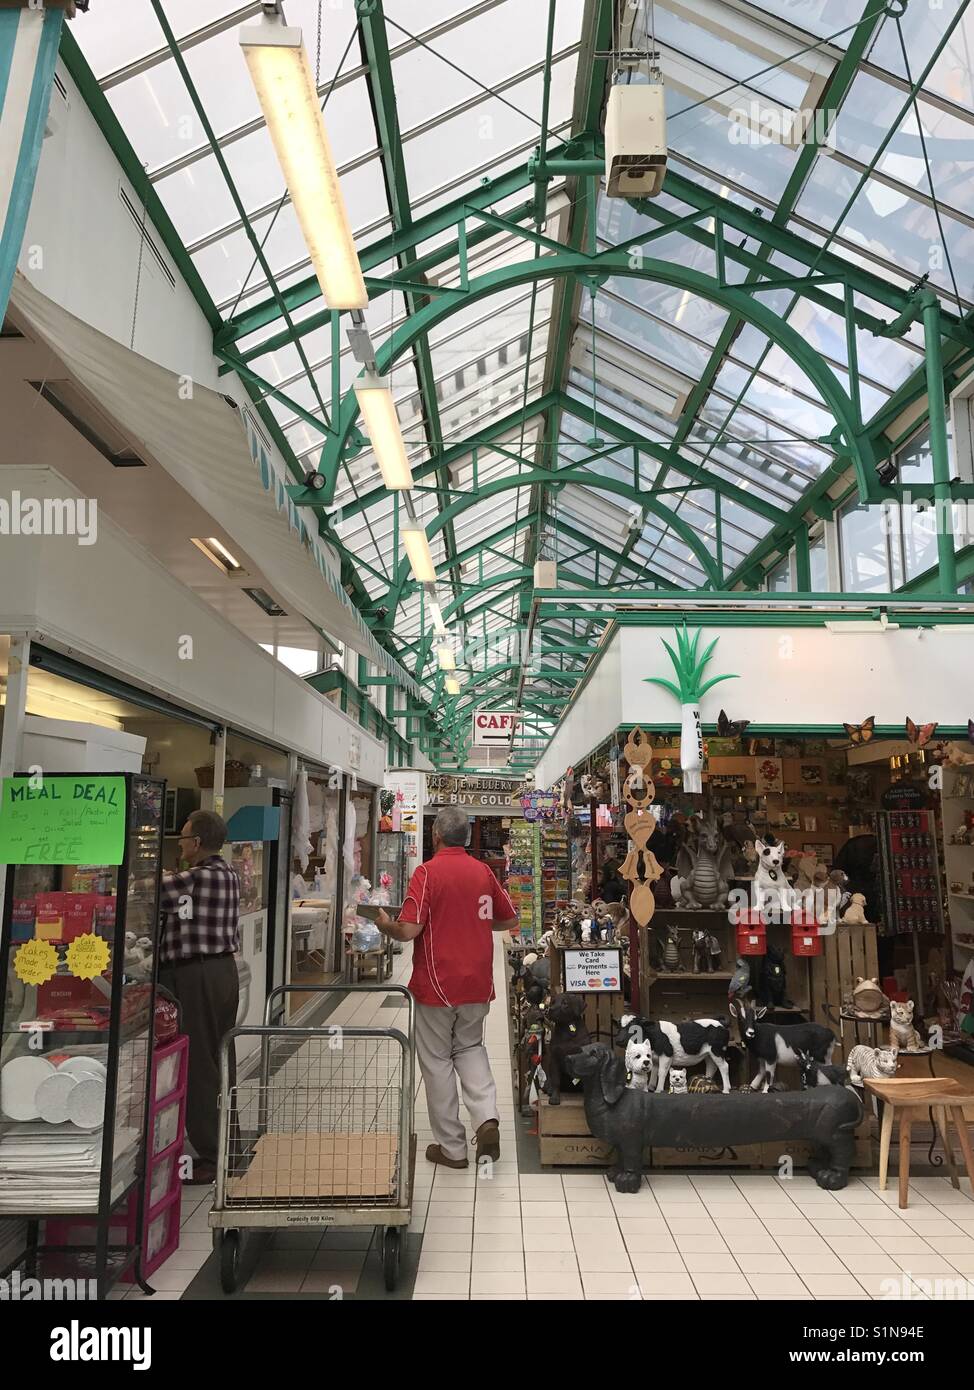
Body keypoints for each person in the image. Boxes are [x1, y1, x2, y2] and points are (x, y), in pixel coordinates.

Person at [377, 805, 517, 1169]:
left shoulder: (427, 873)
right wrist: (473, 923)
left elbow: (408, 931)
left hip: (437, 984)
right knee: (470, 1047)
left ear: (435, 835)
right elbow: (508, 920)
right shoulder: (484, 872)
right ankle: (486, 1117)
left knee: (437, 1061)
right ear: (466, 838)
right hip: (478, 981)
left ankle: (453, 1148)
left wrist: (384, 924)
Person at [158, 810, 240, 1185]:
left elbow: (154, 893)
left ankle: (210, 1154)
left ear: (198, 842)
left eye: (184, 837)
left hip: (198, 975)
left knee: (200, 1063)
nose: (181, 843)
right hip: (222, 973)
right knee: (220, 1056)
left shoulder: (198, 878)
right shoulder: (227, 873)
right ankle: (228, 1142)